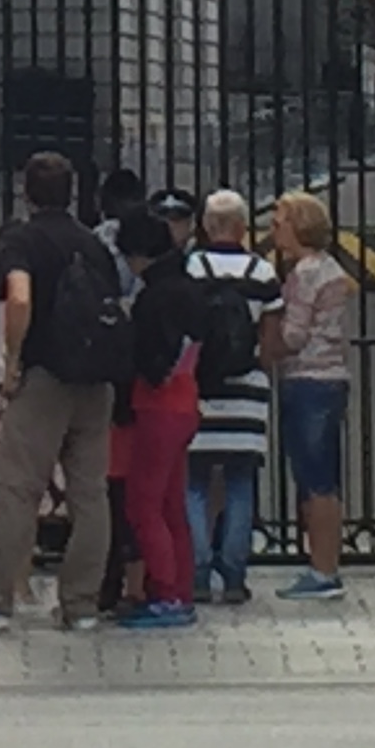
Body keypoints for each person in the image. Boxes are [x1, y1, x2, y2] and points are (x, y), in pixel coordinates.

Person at [0, 151, 116, 634]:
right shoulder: (92, 243)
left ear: (26, 192)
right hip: (96, 378)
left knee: (17, 488)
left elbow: (19, 296)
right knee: (89, 493)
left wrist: (13, 361)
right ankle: (81, 603)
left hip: (45, 374)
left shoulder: (21, 238)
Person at [184, 189, 274, 608]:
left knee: (195, 483)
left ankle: (198, 573)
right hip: (246, 390)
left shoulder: (193, 267)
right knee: (240, 482)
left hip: (202, 390)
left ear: (206, 225)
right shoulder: (262, 272)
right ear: (241, 226)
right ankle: (235, 576)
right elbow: (271, 338)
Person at [114, 210, 203, 629]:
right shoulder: (189, 286)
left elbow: (150, 354)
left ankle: (165, 592)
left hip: (155, 404)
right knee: (171, 505)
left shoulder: (154, 296)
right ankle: (181, 589)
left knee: (144, 503)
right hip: (186, 402)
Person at [264, 188, 354, 600]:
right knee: (325, 477)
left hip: (307, 379)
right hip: (332, 378)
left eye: (278, 222)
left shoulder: (304, 273)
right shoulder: (330, 268)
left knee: (313, 477)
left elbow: (294, 336)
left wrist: (264, 338)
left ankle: (321, 570)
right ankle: (325, 564)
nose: (273, 230)